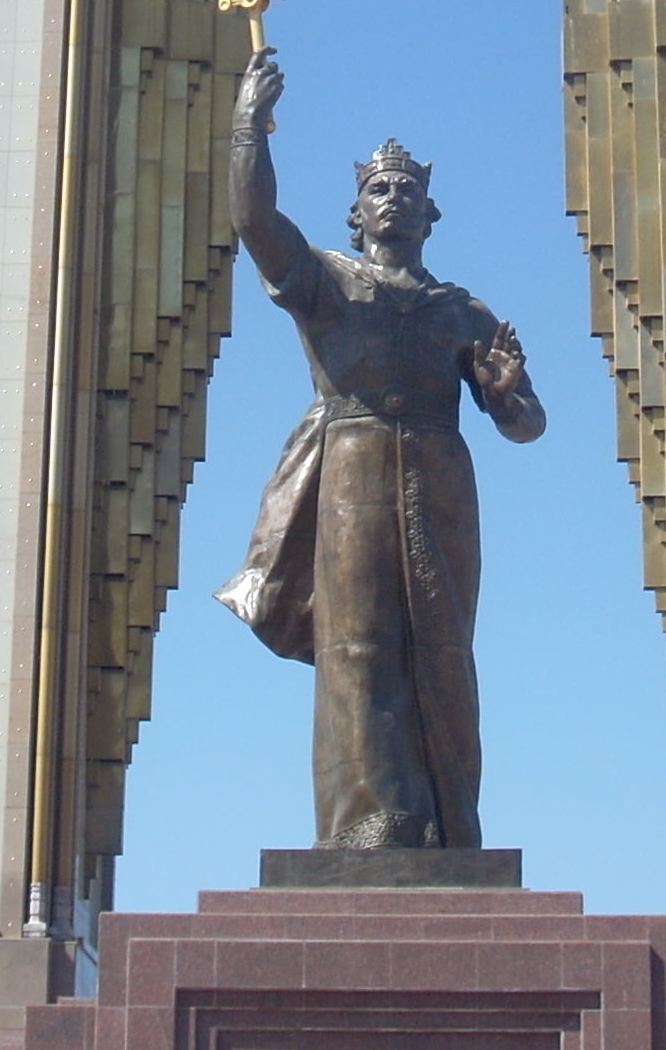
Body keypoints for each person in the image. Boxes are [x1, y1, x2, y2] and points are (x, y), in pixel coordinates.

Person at [214, 46, 545, 850]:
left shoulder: (459, 310)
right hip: (352, 469)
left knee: (441, 649)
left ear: (431, 215)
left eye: (407, 190)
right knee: (356, 648)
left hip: (439, 477)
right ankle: (369, 820)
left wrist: (505, 394)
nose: (392, 197)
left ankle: (451, 820)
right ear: (356, 215)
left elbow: (528, 425)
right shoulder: (326, 283)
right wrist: (248, 125)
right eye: (377, 189)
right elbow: (255, 221)